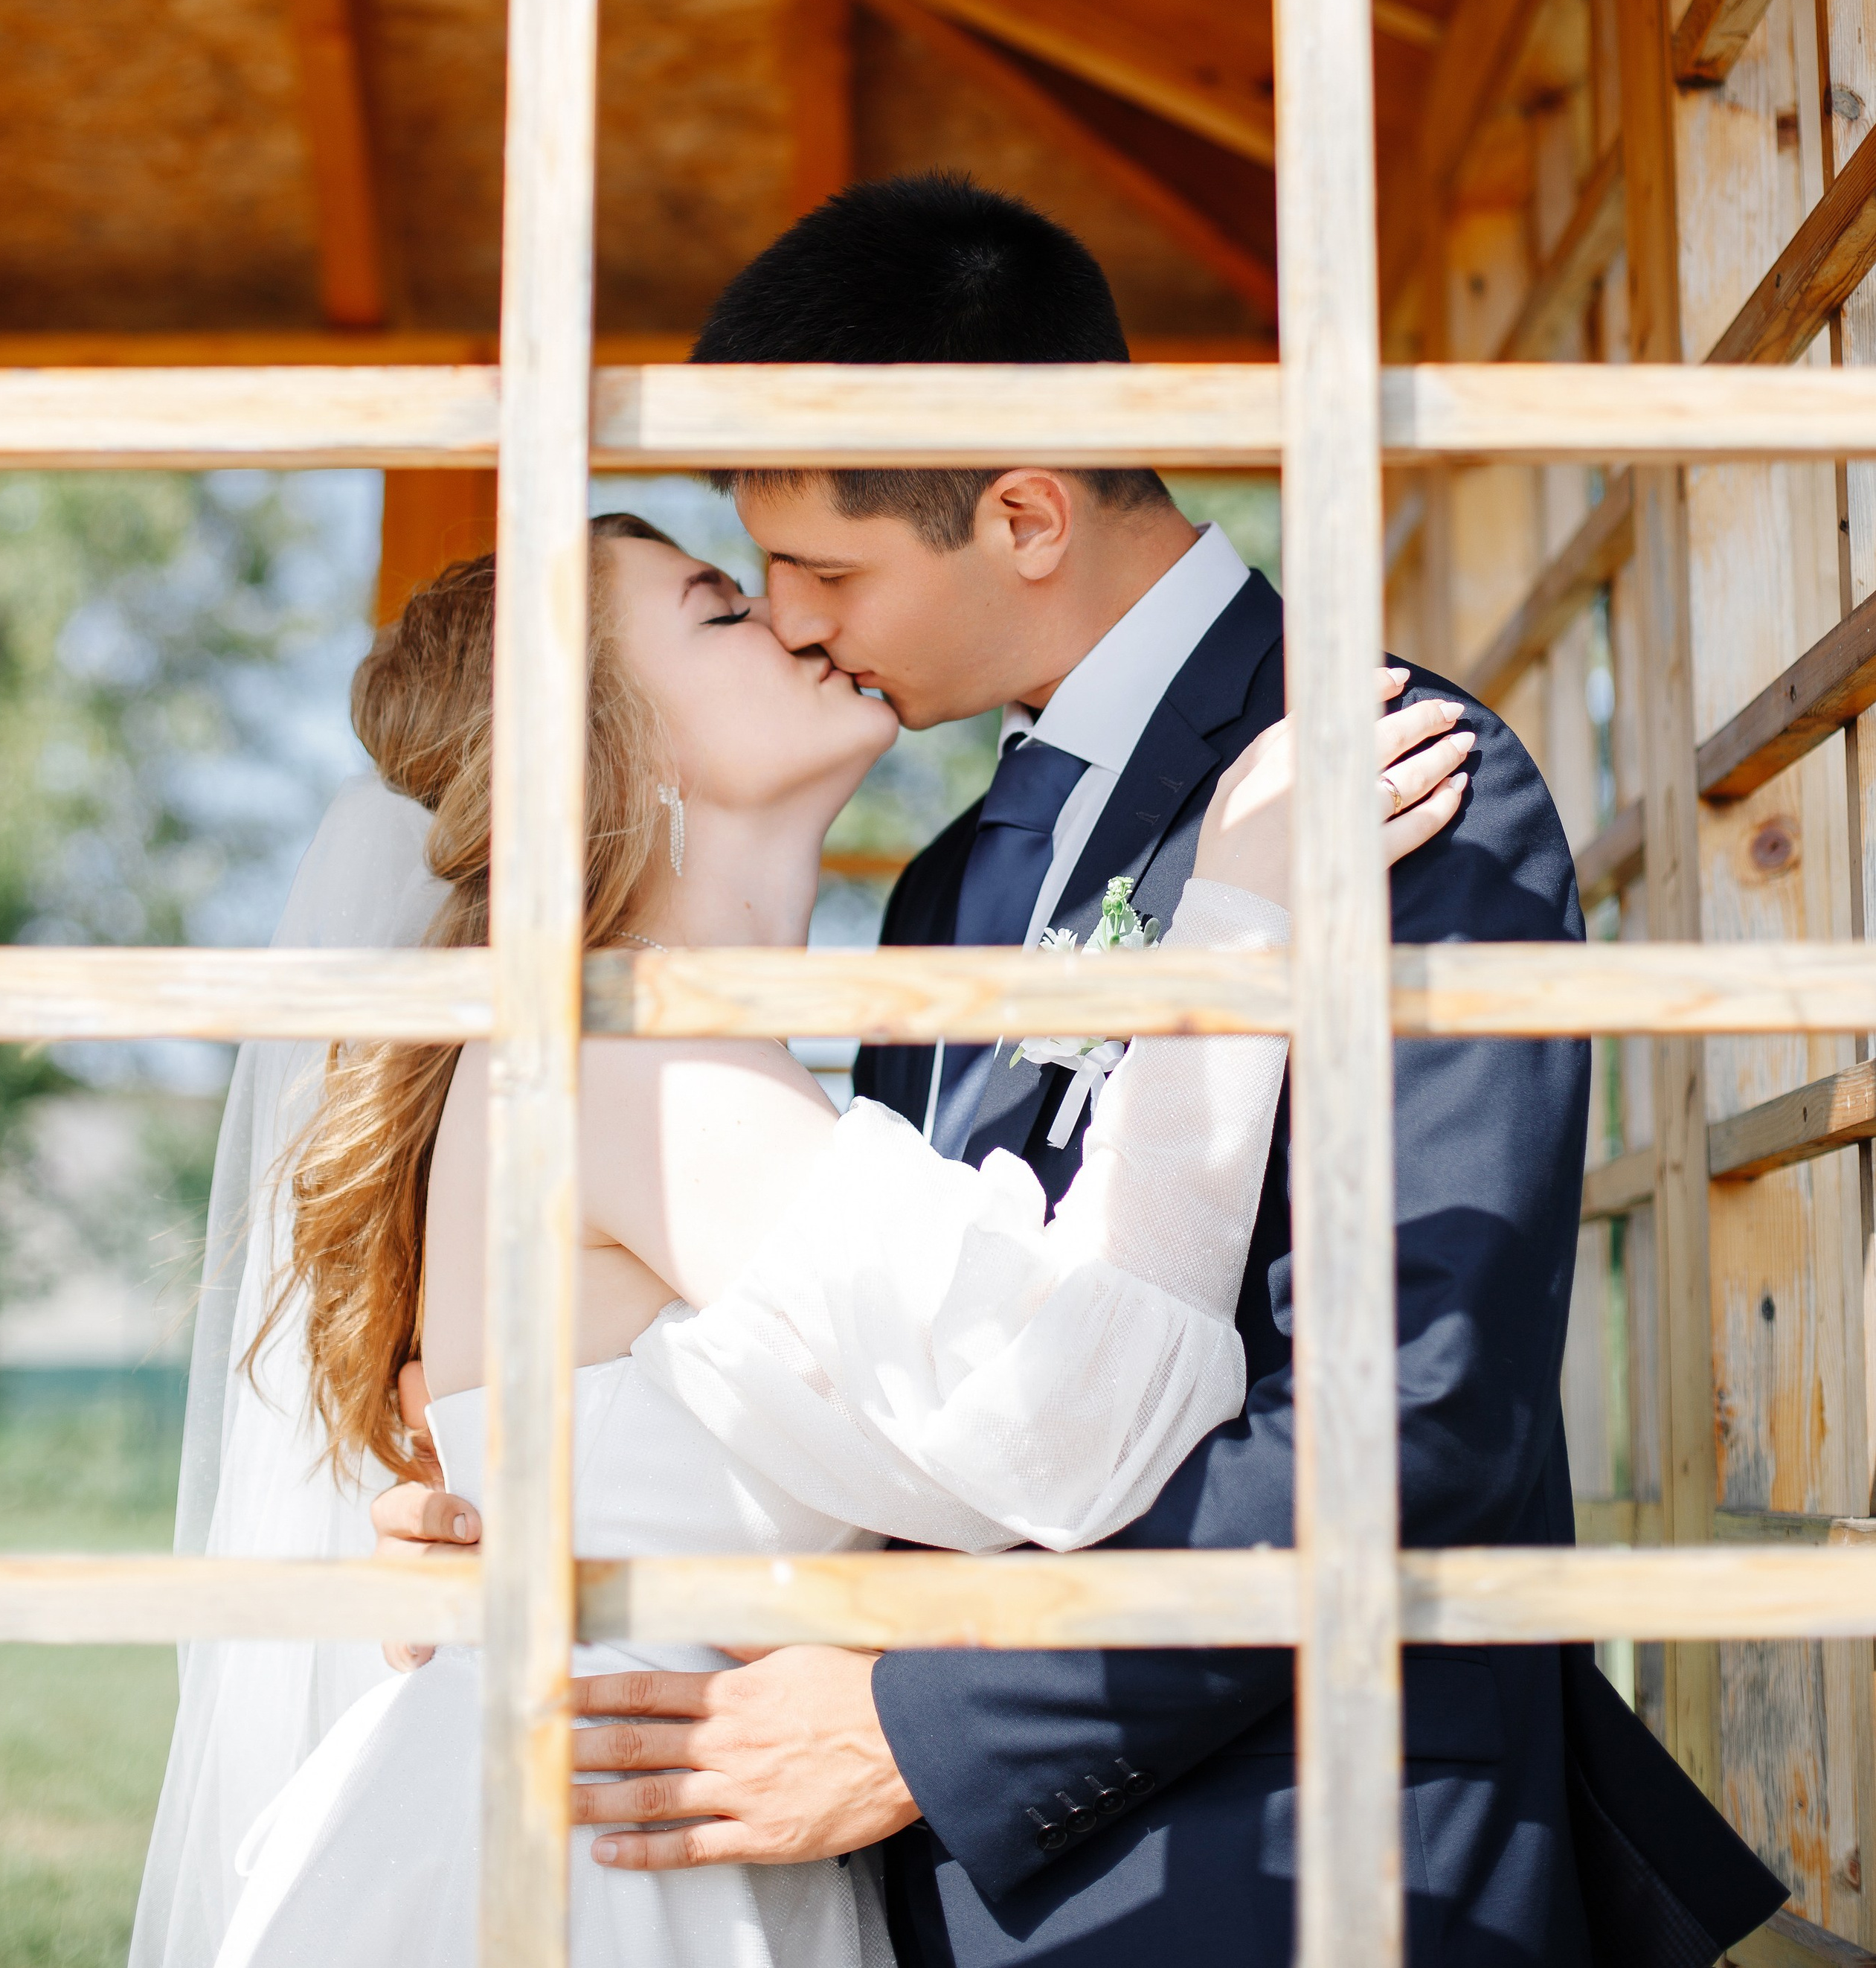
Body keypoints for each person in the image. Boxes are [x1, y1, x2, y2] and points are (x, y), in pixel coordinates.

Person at [376, 176, 1778, 1968]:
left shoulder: (1377, 774)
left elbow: (1411, 1415)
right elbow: (897, 1386)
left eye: (818, 571)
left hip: (1289, 1872)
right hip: (916, 1891)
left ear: (1024, 512)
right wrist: (552, 1530)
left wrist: (926, 1727)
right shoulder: (948, 881)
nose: (798, 625)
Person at [138, 508, 1469, 1968]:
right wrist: (1240, 917)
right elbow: (1086, 1419)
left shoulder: (697, 1048)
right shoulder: (629, 1057)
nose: (790, 615)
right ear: (612, 749)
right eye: (720, 608)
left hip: (679, 1829)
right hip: (580, 1865)